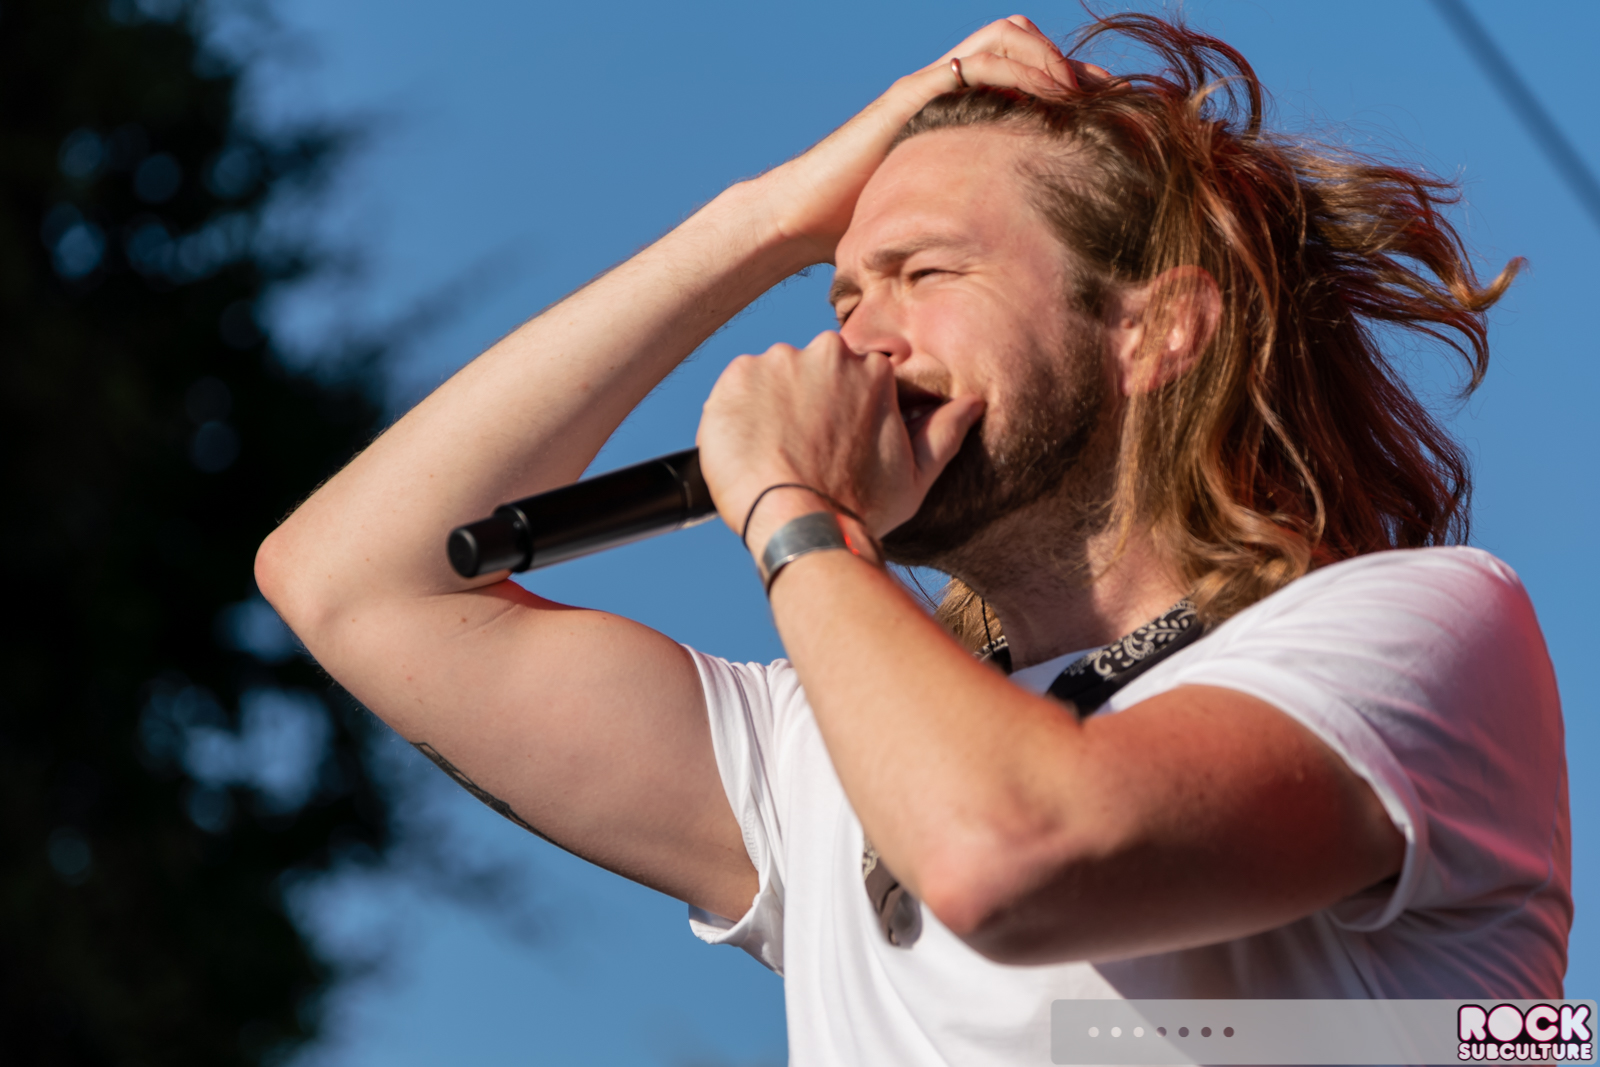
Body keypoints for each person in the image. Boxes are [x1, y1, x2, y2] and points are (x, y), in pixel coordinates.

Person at [255, 11, 1569, 1064]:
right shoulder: (828, 754)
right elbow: (353, 583)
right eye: (841, 295)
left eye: (925, 275)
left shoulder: (1419, 631)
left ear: (1155, 328)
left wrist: (799, 518)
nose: (857, 341)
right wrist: (764, 220)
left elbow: (1010, 856)